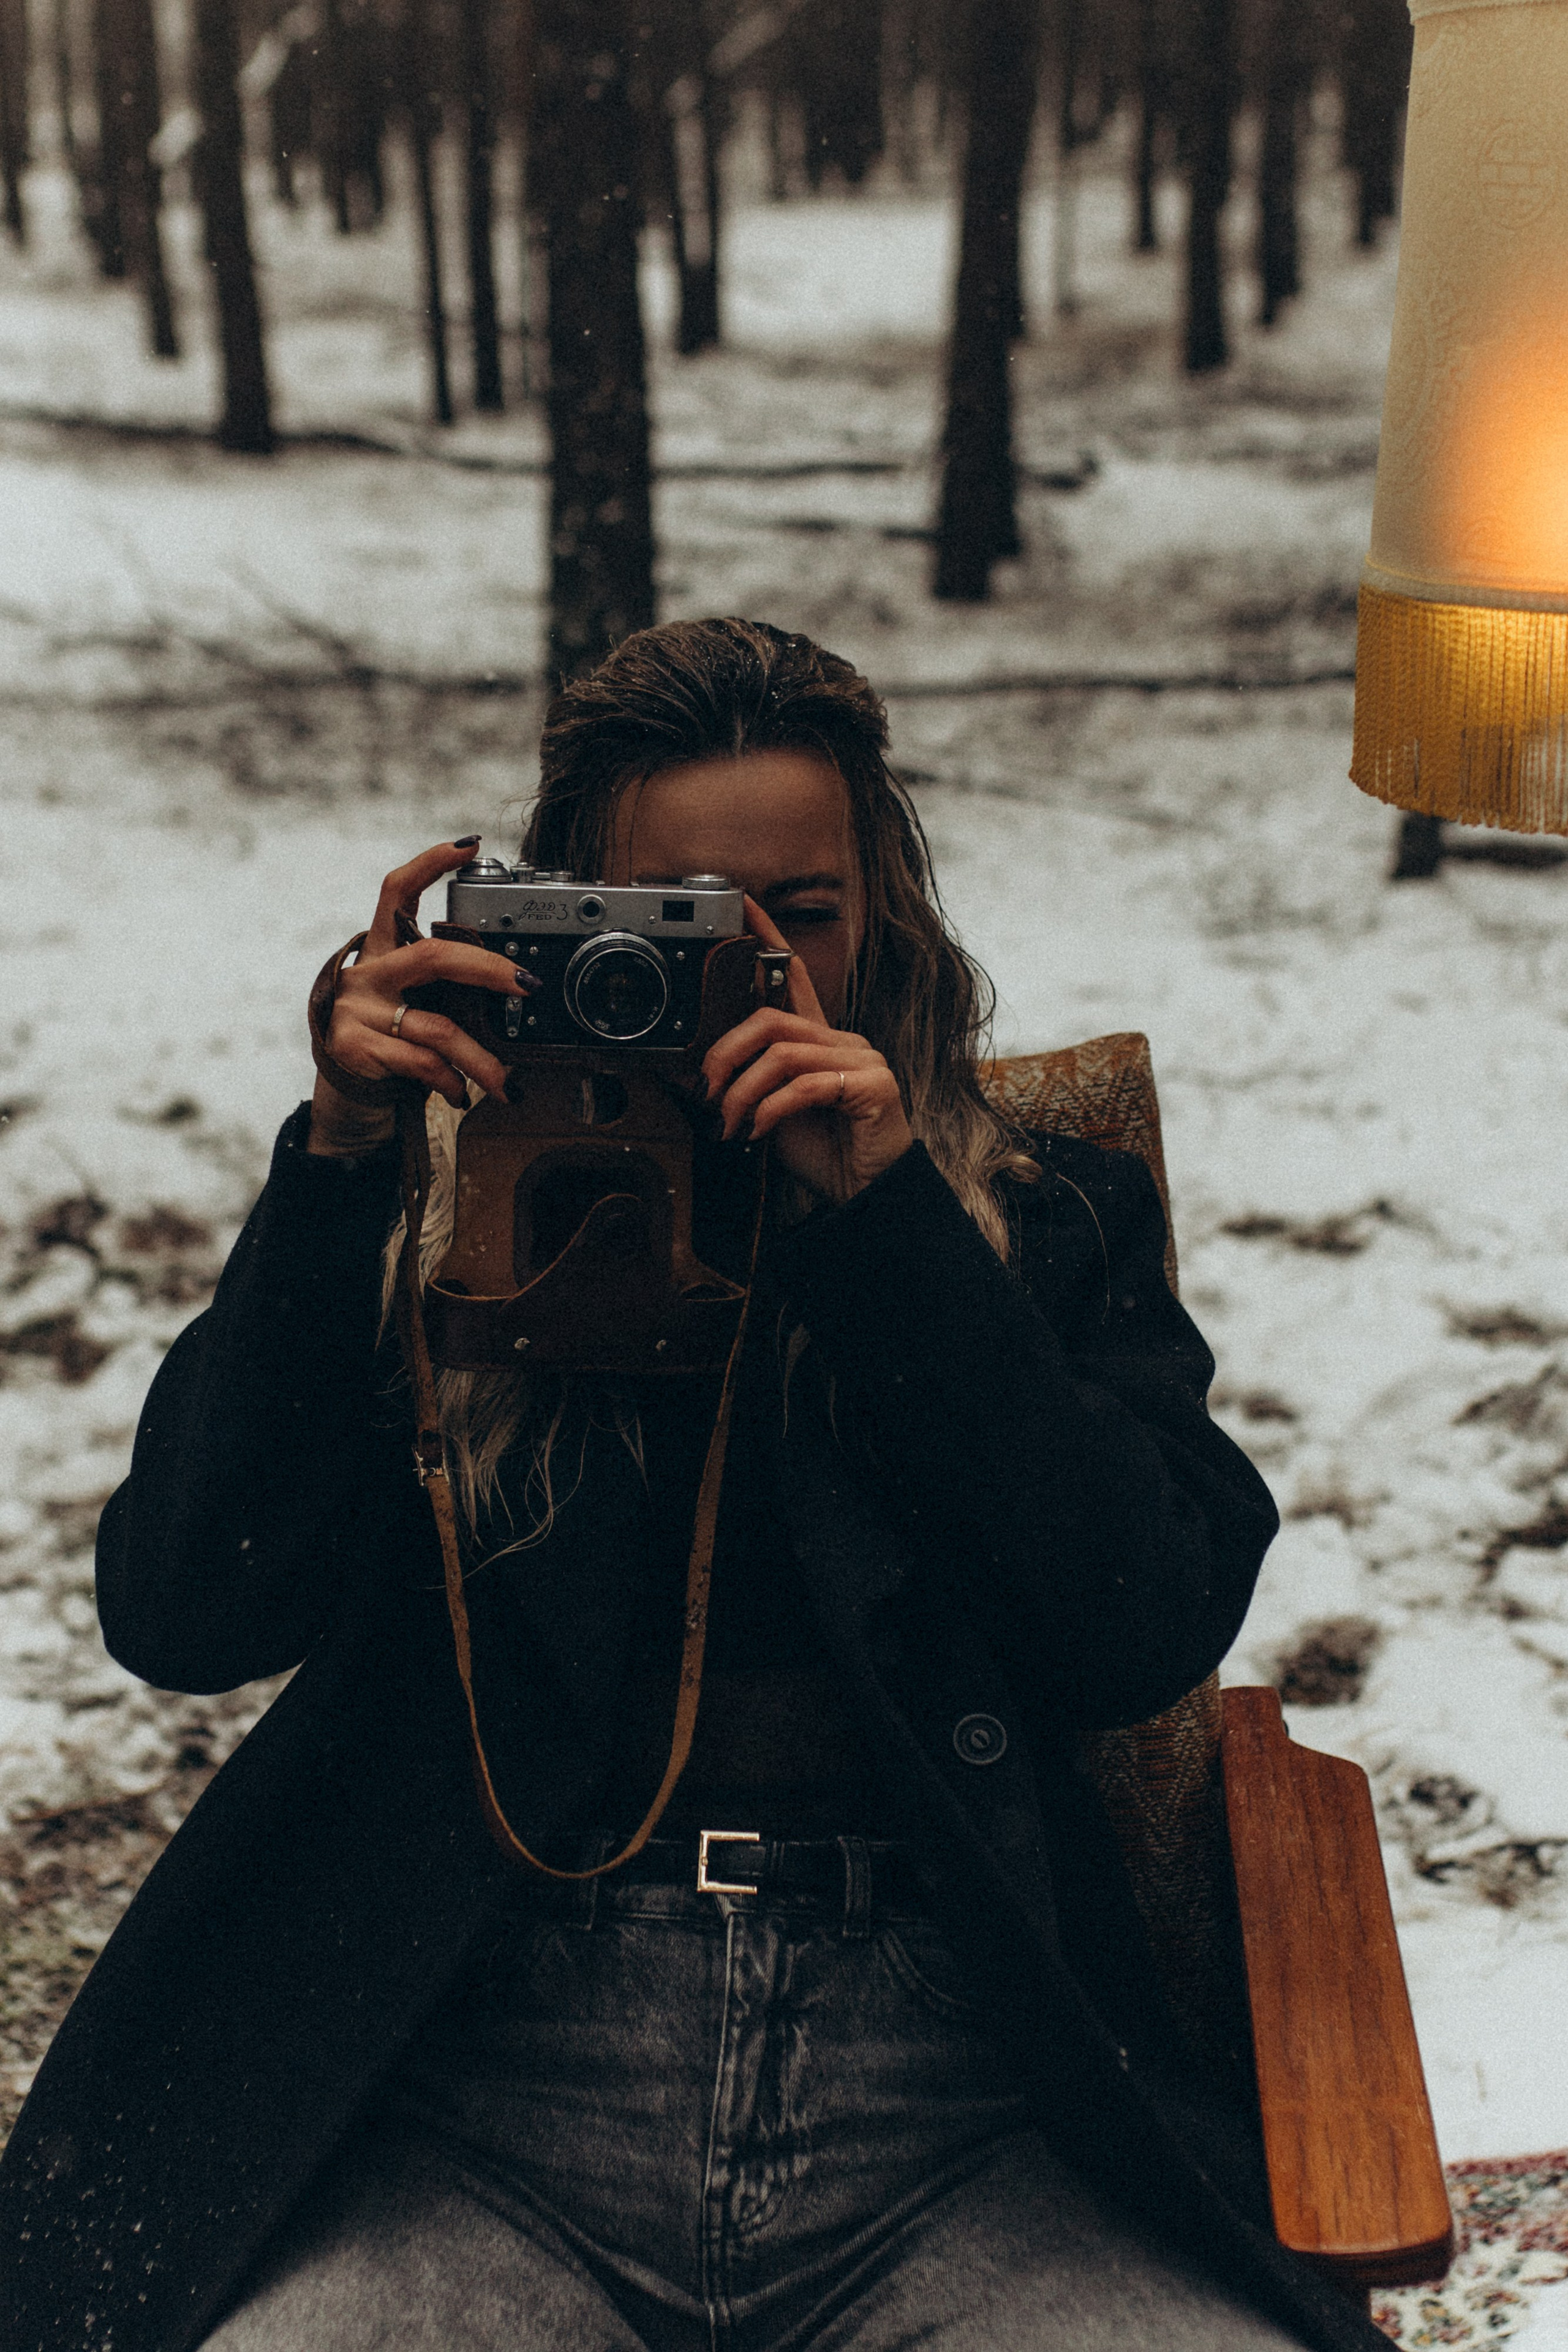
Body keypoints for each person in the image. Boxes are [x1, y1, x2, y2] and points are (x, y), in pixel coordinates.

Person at [0, 621, 1391, 2352]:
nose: (741, 966)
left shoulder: (1033, 1214)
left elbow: (1131, 1628)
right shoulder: (438, 1215)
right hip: (492, 2074)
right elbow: (189, 1610)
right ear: (562, 915)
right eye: (672, 917)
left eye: (794, 913)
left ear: (881, 905)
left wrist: (887, 1229)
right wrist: (347, 1167)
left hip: (956, 2097)